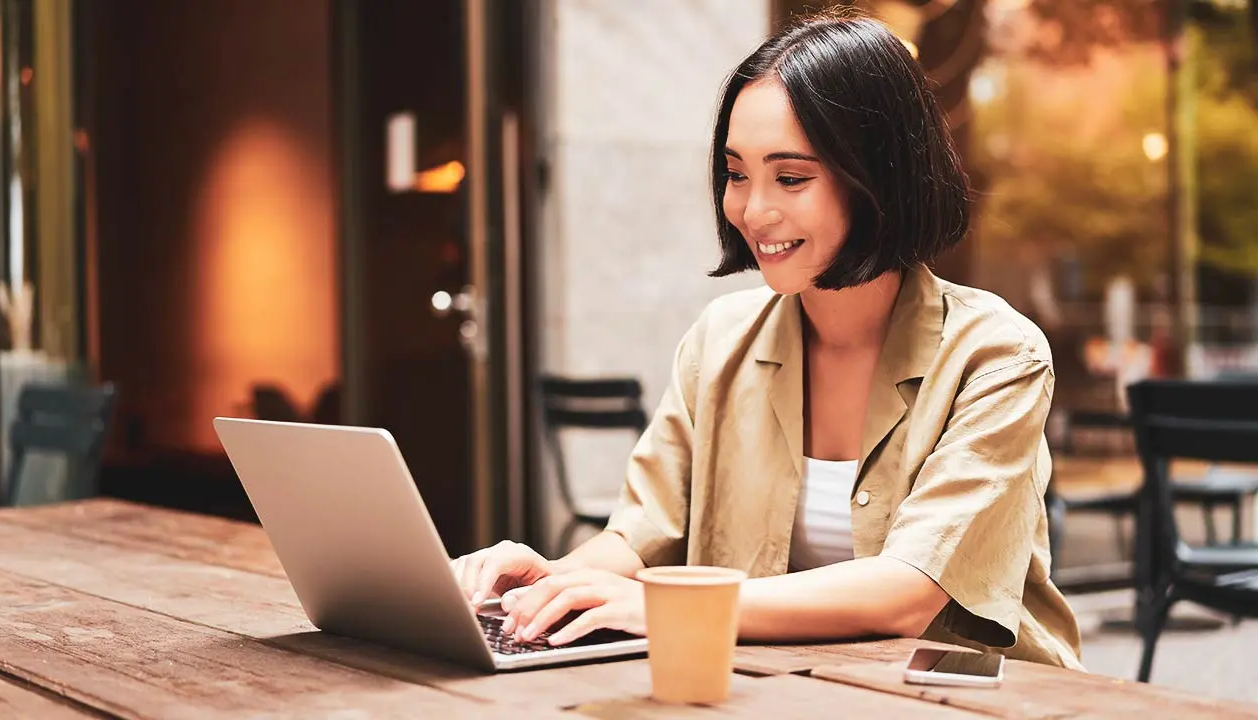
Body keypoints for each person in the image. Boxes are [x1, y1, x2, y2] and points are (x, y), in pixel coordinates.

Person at [451, 11, 1083, 670]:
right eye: (736, 173)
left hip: (972, 702)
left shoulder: (997, 354)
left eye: (790, 178)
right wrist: (547, 587)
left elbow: (907, 592)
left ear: (879, 179)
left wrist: (673, 607)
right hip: (783, 694)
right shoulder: (720, 340)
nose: (752, 210)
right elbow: (640, 537)